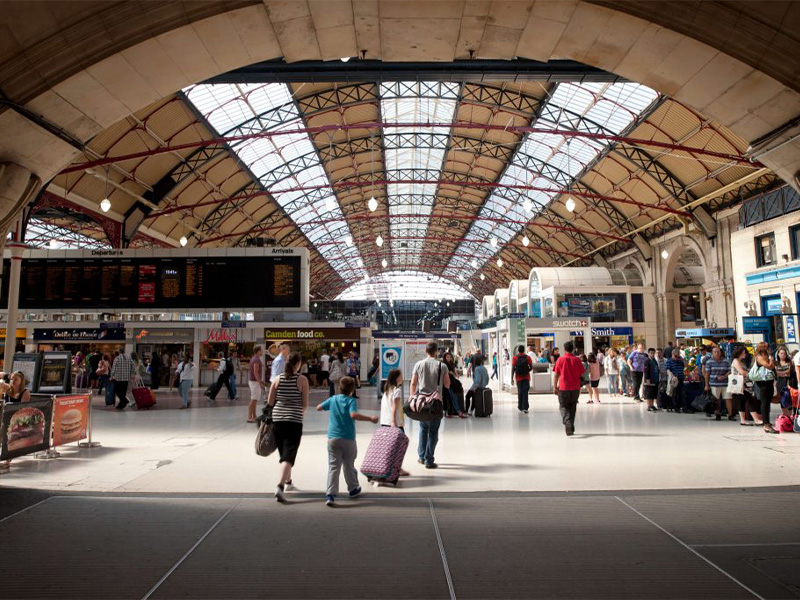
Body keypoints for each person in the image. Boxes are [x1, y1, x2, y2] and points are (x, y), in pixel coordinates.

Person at [317, 376, 378, 506]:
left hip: (333, 438)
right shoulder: (351, 401)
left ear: (339, 387)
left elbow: (319, 407)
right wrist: (370, 418)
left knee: (334, 466)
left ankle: (330, 495)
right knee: (348, 464)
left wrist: (329, 406)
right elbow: (353, 415)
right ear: (352, 389)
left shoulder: (333, 399)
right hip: (348, 438)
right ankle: (353, 488)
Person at [267, 352, 310, 502]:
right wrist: (298, 413)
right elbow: (305, 404)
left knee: (285, 453)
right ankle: (280, 486)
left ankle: (288, 482)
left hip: (277, 419)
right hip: (294, 420)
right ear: (298, 364)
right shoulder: (302, 379)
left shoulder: (277, 379)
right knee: (289, 454)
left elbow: (270, 402)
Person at [410, 341, 449, 469]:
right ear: (437, 351)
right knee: (433, 432)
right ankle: (429, 459)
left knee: (423, 429)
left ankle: (421, 457)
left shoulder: (418, 364)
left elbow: (413, 383)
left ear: (426, 351)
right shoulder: (442, 366)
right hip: (435, 403)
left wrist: (412, 397)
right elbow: (447, 384)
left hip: (422, 403)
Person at [553, 341, 584, 436]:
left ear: (564, 349)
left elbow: (556, 375)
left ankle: (568, 423)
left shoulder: (560, 359)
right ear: (573, 349)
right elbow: (582, 373)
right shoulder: (577, 360)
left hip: (563, 387)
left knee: (563, 406)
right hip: (575, 387)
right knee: (572, 407)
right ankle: (571, 426)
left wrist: (555, 387)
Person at [752, 342, 778, 434]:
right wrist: (771, 359)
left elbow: (772, 367)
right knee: (764, 402)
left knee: (767, 403)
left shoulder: (767, 357)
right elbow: (769, 366)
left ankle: (767, 423)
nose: (769, 349)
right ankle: (766, 424)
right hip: (762, 383)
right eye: (768, 347)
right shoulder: (759, 357)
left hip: (769, 382)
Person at [733, 345, 760, 426]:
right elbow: (741, 372)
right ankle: (756, 420)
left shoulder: (740, 361)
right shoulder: (736, 361)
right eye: (744, 352)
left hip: (743, 384)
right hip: (741, 384)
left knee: (742, 401)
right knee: (750, 400)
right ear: (740, 353)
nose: (745, 354)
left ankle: (743, 420)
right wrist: (752, 375)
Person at [442, 351, 467, 418]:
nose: (449, 358)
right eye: (447, 357)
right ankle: (458, 412)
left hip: (451, 382)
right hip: (447, 382)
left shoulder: (451, 363)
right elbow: (449, 372)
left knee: (451, 397)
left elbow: (453, 371)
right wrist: (455, 374)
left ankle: (450, 412)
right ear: (445, 358)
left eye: (450, 357)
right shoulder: (444, 364)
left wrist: (456, 374)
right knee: (452, 397)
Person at [510, 345, 533, 413]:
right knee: (525, 392)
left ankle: (520, 406)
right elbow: (531, 367)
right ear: (524, 350)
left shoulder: (515, 358)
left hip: (518, 377)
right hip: (526, 377)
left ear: (518, 350)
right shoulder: (528, 357)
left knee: (520, 392)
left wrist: (511, 378)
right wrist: (526, 371)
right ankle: (525, 407)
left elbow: (513, 368)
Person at [248, 346, 266, 423]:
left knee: (254, 399)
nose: (262, 351)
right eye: (261, 350)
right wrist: (260, 382)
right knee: (253, 399)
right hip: (254, 382)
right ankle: (250, 417)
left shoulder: (254, 358)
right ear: (258, 351)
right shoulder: (256, 360)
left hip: (254, 381)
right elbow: (256, 372)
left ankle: (254, 416)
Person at [665, 347, 687, 413]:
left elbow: (686, 364)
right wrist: (672, 376)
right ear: (672, 354)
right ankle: (676, 407)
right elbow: (668, 370)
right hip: (674, 380)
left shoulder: (680, 361)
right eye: (675, 356)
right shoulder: (669, 361)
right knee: (675, 394)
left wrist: (681, 358)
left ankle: (684, 407)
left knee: (683, 393)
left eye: (678, 356)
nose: (677, 357)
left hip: (681, 378)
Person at [643, 348, 660, 412]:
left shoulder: (654, 360)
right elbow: (646, 371)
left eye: (653, 353)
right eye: (651, 353)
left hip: (655, 379)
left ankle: (652, 405)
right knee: (649, 393)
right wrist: (647, 379)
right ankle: (649, 406)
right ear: (648, 353)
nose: (652, 354)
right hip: (649, 379)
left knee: (653, 393)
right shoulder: (647, 361)